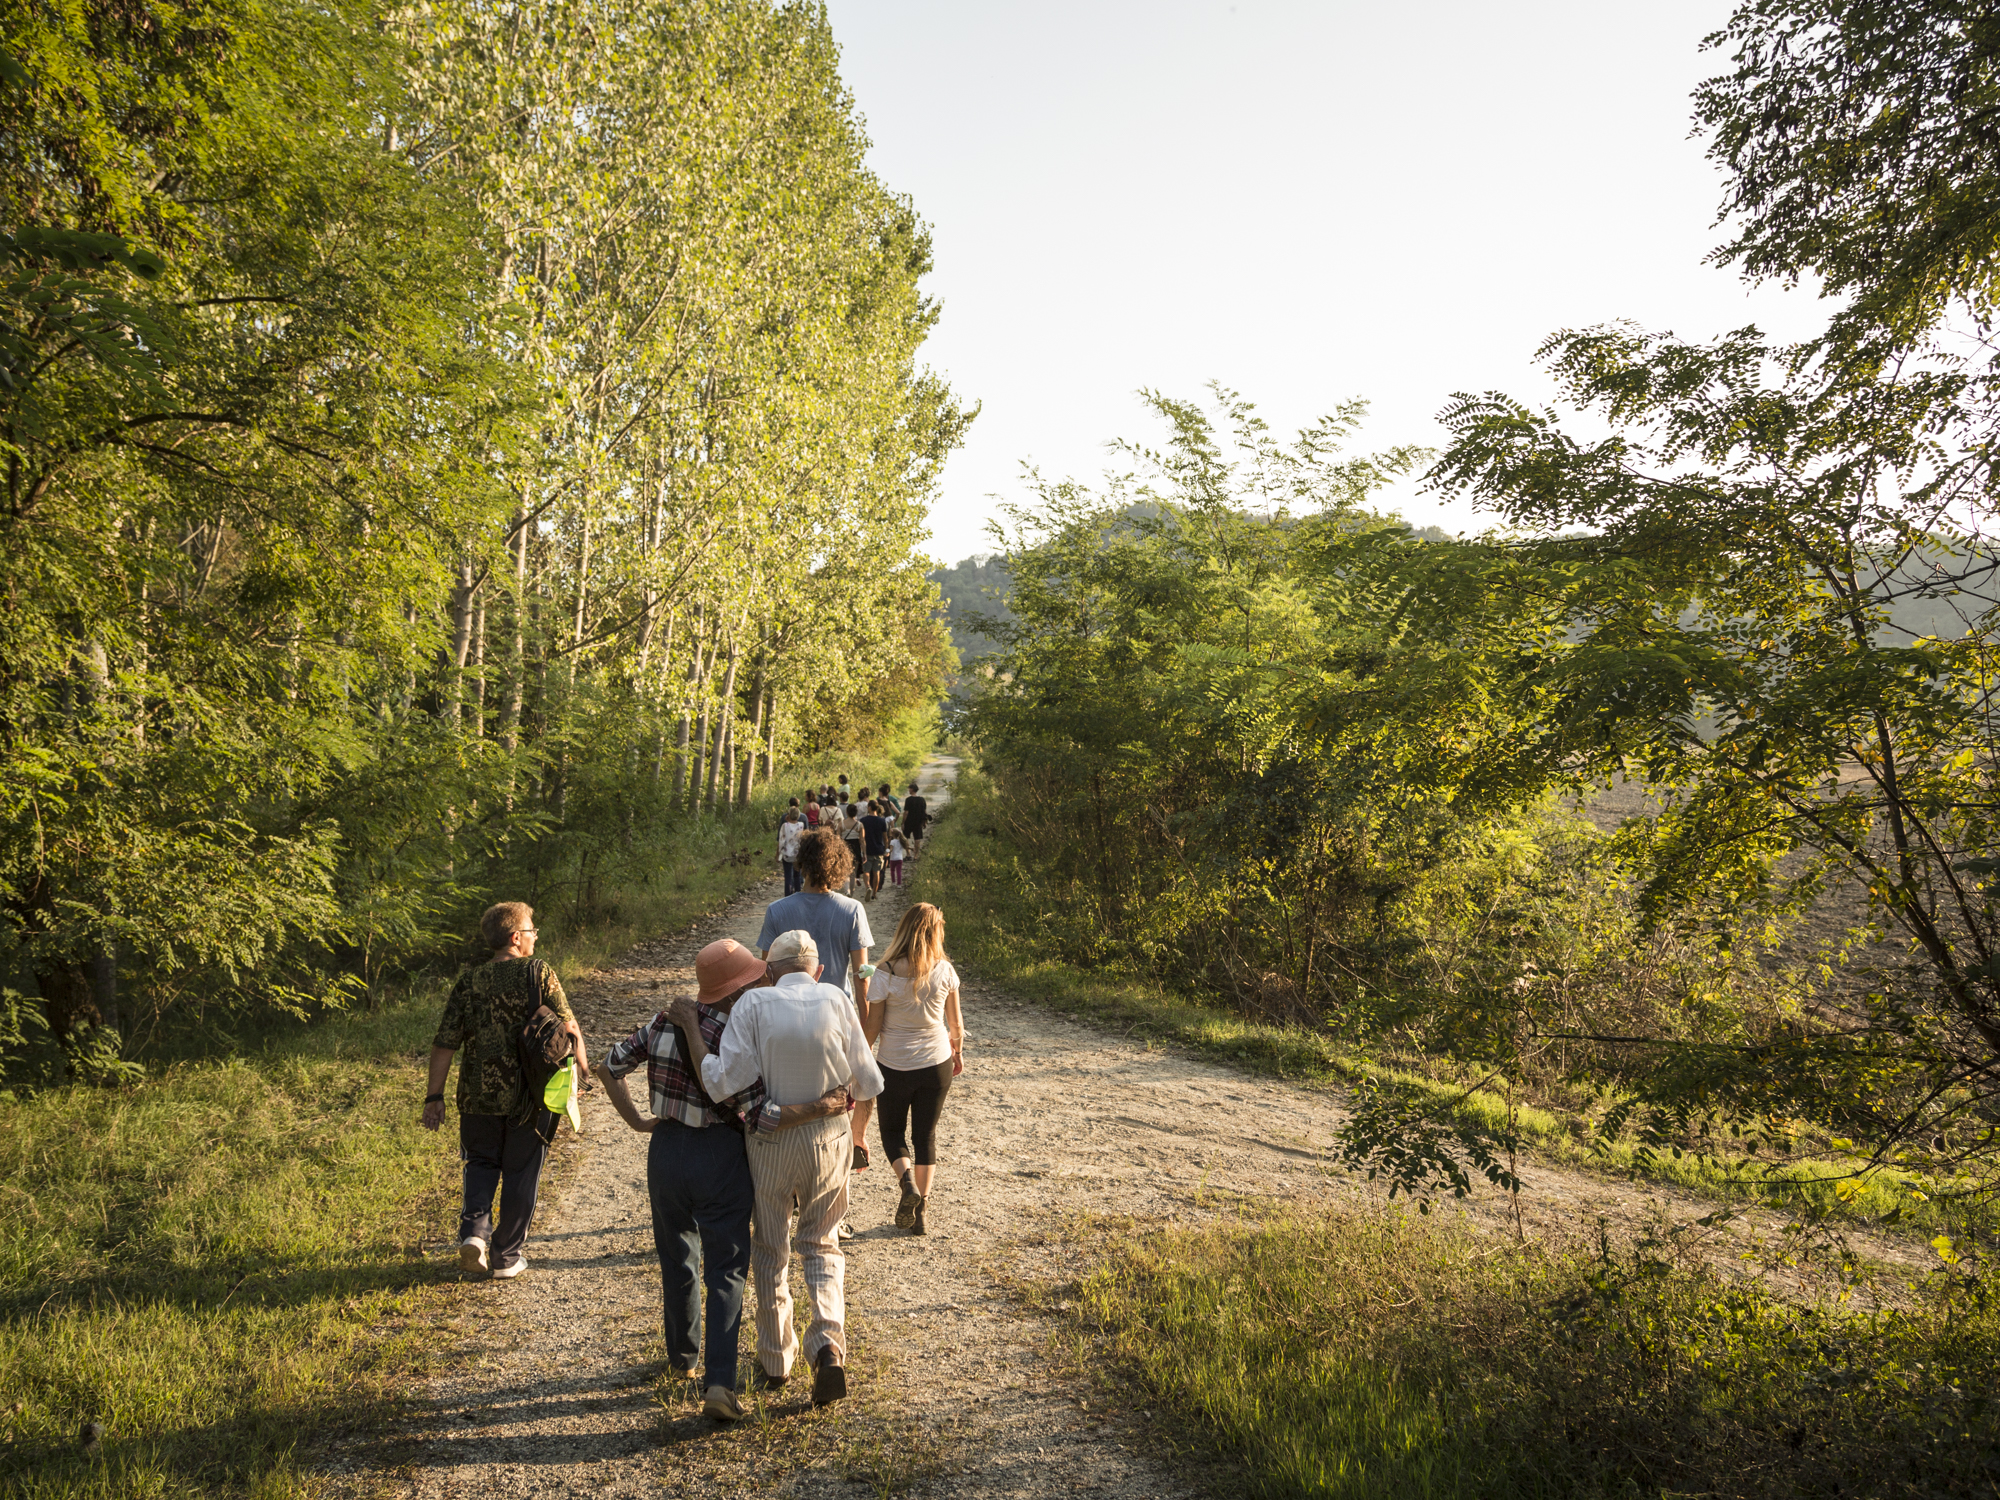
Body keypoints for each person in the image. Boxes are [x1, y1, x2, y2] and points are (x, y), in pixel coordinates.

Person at [597, 939, 852, 1423]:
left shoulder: (663, 1021)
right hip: (719, 1157)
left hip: (666, 1151)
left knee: (677, 1256)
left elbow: (610, 1066)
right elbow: (761, 1114)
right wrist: (822, 1107)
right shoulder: (738, 1035)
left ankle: (683, 1358)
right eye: (754, 977)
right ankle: (720, 1382)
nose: (761, 981)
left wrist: (636, 1121)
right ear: (738, 990)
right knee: (728, 1269)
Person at [670, 929, 884, 1406]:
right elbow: (869, 1081)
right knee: (822, 1243)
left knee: (770, 1248)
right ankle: (828, 1346)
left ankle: (776, 1359)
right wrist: (854, 1129)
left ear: (769, 969)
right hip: (828, 1139)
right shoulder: (835, 998)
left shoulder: (753, 1006)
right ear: (819, 970)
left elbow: (724, 1082)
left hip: (769, 1141)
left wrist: (693, 1039)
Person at [423, 902, 587, 1281]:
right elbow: (570, 1027)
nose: (533, 937)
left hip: (477, 1097)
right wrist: (579, 1075)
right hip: (530, 1096)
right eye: (531, 931)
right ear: (516, 937)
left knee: (480, 1165)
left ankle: (474, 1236)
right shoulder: (538, 971)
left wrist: (435, 1096)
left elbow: (444, 1044)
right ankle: (505, 1256)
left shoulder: (470, 981)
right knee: (521, 1173)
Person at [756, 829, 876, 1171]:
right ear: (840, 866)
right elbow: (861, 975)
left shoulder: (777, 911)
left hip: (782, 1016)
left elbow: (766, 974)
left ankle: (791, 1172)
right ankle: (853, 1141)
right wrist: (866, 1028)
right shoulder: (852, 910)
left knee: (790, 1090)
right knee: (845, 1091)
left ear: (802, 863)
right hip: (836, 1017)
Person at [866, 903, 963, 1237]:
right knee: (926, 1136)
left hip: (893, 1065)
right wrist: (958, 1052)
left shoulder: (886, 972)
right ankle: (921, 1214)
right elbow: (956, 1024)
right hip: (936, 1064)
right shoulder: (945, 971)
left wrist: (860, 1058)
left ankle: (907, 1184)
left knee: (892, 1133)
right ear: (935, 932)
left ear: (904, 929)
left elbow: (873, 1026)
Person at [858, 799, 890, 900]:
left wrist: (862, 849)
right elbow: (885, 837)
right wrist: (886, 849)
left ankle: (868, 886)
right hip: (879, 850)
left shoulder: (863, 820)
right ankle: (874, 893)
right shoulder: (882, 821)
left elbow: (861, 837)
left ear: (870, 807)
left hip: (867, 850)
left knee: (866, 871)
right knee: (876, 872)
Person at [777, 805, 804, 896]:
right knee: (797, 875)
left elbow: (781, 841)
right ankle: (797, 893)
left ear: (789, 815)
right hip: (798, 854)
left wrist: (777, 854)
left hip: (787, 853)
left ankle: (788, 895)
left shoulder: (785, 825)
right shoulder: (801, 825)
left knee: (788, 876)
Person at [841, 803, 865, 898]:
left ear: (846, 812)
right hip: (856, 850)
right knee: (853, 873)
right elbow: (862, 840)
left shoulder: (841, 824)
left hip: (845, 849)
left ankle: (846, 890)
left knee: (845, 871)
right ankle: (851, 893)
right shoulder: (859, 825)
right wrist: (864, 853)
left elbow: (838, 839)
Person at [901, 781, 930, 856]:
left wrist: (903, 822)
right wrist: (924, 822)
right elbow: (924, 812)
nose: (908, 790)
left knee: (905, 838)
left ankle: (908, 854)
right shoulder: (922, 800)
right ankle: (916, 855)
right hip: (918, 821)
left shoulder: (908, 800)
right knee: (917, 838)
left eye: (909, 789)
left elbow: (906, 812)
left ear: (912, 789)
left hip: (909, 821)